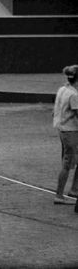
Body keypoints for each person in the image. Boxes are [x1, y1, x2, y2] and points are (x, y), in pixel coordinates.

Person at [53, 65, 78, 205]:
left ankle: (74, 189)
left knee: (70, 160)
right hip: (71, 131)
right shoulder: (74, 95)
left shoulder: (62, 89)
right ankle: (59, 195)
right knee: (67, 163)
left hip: (62, 129)